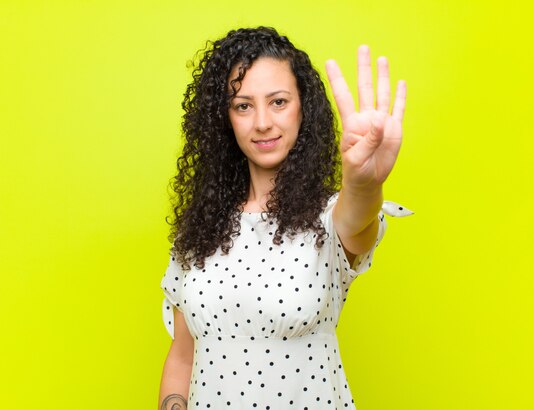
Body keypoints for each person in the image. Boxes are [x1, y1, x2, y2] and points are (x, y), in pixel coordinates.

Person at [158, 26, 412, 409]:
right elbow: (182, 356)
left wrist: (363, 184)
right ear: (225, 118)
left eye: (278, 102)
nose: (262, 122)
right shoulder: (199, 231)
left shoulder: (328, 218)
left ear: (302, 108)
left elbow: (357, 222)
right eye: (243, 105)